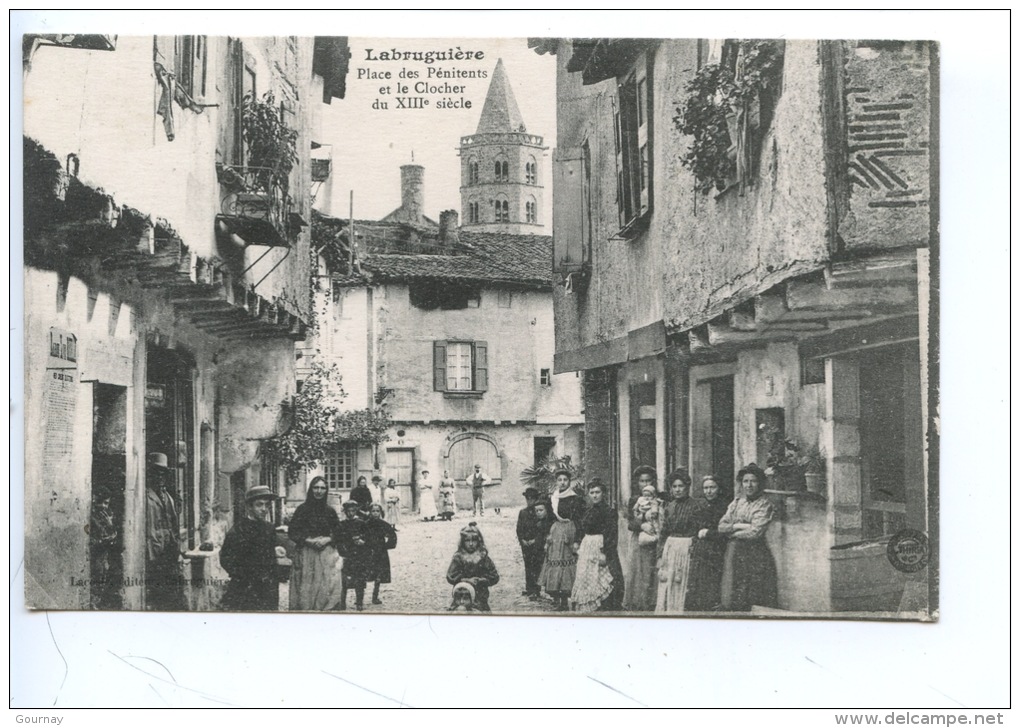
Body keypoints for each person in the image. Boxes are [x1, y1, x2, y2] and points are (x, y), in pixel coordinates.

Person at [718, 463, 779, 611]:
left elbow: (755, 532)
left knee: (754, 590)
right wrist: (739, 526)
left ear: (760, 483)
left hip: (755, 552)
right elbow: (721, 526)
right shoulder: (737, 502)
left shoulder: (764, 505)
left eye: (753, 481)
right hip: (735, 550)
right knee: (734, 586)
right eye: (745, 481)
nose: (749, 485)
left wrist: (732, 532)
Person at [220, 486, 281, 611]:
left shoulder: (269, 528)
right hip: (245, 589)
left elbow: (270, 556)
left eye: (267, 505)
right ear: (249, 507)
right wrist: (243, 577)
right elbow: (226, 559)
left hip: (268, 588)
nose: (264, 509)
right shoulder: (238, 530)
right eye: (259, 505)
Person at [287, 476, 343, 611]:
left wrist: (328, 539)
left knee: (327, 587)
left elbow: (340, 532)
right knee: (306, 588)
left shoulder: (330, 511)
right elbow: (292, 532)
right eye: (316, 487)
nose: (319, 491)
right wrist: (308, 540)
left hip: (326, 554)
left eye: (322, 488)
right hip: (307, 554)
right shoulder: (302, 509)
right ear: (311, 489)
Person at [655, 469, 704, 614]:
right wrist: (659, 555)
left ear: (687, 487)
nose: (677, 490)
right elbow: (663, 532)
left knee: (681, 581)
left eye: (680, 486)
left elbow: (699, 530)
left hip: (686, 548)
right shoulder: (669, 507)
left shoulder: (696, 506)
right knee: (667, 582)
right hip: (670, 549)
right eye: (674, 486)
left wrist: (693, 547)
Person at [571, 479, 624, 612]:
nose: (595, 495)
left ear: (603, 493)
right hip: (587, 549)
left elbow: (611, 534)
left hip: (601, 548)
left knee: (606, 578)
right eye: (592, 492)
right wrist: (577, 542)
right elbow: (581, 529)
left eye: (597, 492)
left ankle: (605, 607)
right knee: (587, 577)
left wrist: (604, 553)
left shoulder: (609, 512)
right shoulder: (588, 511)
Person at [539, 467, 584, 611]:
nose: (562, 483)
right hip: (555, 531)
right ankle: (556, 598)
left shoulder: (575, 498)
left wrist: (576, 540)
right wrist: (548, 535)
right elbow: (549, 519)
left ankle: (565, 600)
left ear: (569, 482)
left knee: (567, 564)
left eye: (565, 480)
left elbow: (578, 520)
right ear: (556, 482)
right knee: (554, 563)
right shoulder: (553, 498)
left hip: (569, 531)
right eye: (560, 480)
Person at [145, 452, 185, 611]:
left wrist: (177, 547)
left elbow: (173, 525)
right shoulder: (145, 495)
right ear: (150, 474)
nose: (160, 477)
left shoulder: (168, 496)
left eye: (163, 473)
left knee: (171, 595)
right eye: (156, 472)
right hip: (153, 553)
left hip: (168, 553)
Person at [685, 475, 731, 611]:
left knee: (713, 582)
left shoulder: (725, 507)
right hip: (701, 550)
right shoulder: (700, 506)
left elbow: (726, 531)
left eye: (712, 487)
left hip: (717, 549)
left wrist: (708, 533)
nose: (709, 491)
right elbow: (693, 527)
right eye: (706, 488)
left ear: (719, 489)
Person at [624, 465, 661, 611]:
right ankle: (640, 603)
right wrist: (642, 525)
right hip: (639, 539)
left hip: (655, 539)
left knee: (653, 570)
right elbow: (630, 524)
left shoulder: (659, 498)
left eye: (648, 481)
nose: (645, 484)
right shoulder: (635, 500)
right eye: (642, 481)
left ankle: (653, 602)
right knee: (640, 571)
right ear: (637, 483)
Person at [446, 521, 500, 611]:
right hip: (462, 596)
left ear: (479, 541)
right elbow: (450, 576)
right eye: (467, 541)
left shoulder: (483, 557)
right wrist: (465, 580)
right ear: (463, 542)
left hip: (480, 596)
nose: (471, 544)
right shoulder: (458, 557)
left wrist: (480, 580)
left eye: (474, 540)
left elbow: (494, 576)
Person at [335, 500, 372, 611]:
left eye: (353, 511)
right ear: (345, 512)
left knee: (359, 580)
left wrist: (363, 541)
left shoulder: (361, 523)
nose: (350, 513)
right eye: (348, 511)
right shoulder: (341, 525)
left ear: (356, 511)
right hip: (346, 555)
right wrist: (342, 552)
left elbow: (369, 539)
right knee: (343, 581)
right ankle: (342, 603)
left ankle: (359, 602)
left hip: (359, 556)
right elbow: (338, 540)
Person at [516, 487, 549, 599]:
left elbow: (543, 530)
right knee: (528, 566)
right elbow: (519, 529)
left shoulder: (539, 512)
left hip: (537, 544)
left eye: (532, 499)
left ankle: (536, 589)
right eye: (528, 499)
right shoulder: (523, 513)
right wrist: (523, 540)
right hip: (526, 545)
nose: (530, 501)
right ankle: (529, 588)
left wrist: (536, 540)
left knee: (537, 566)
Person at [89, 487, 119, 610]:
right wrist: (103, 540)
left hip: (104, 555)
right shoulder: (91, 515)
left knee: (103, 576)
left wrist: (110, 525)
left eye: (106, 503)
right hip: (95, 555)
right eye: (101, 502)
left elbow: (114, 534)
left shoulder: (108, 515)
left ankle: (98, 603)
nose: (103, 506)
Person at [365, 503, 398, 606]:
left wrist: (386, 546)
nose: (375, 513)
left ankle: (375, 596)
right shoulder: (365, 524)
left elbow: (392, 535)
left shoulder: (383, 524)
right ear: (369, 512)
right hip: (368, 551)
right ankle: (359, 596)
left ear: (381, 512)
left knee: (378, 575)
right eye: (373, 511)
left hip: (380, 552)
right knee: (364, 573)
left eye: (377, 511)